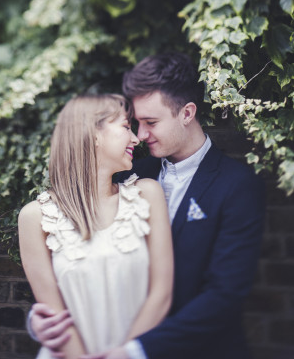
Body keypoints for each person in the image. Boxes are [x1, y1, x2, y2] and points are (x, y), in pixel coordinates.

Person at [29, 53, 265, 359]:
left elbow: (224, 296)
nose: (140, 136)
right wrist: (45, 322)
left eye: (150, 122)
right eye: (136, 123)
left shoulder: (236, 185)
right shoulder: (127, 175)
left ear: (187, 113)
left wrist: (133, 351)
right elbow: (94, 266)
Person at [18, 93, 173, 359]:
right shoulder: (35, 217)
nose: (136, 138)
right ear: (94, 134)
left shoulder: (147, 194)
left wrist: (124, 354)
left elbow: (162, 294)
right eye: (126, 127)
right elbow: (54, 314)